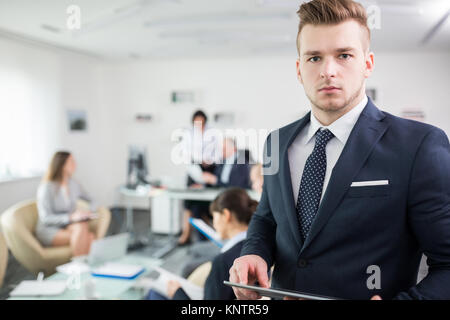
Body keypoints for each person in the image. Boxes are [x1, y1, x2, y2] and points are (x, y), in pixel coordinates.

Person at [229, 0, 450, 300]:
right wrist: (253, 252)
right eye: (314, 58)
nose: (328, 71)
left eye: (344, 55)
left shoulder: (418, 146)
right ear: (299, 69)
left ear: (367, 63)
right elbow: (267, 219)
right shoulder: (276, 142)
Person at [147, 187, 258, 300]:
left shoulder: (223, 262)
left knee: (154, 293)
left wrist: (177, 293)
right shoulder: (257, 249)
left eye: (214, 217)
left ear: (226, 215)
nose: (214, 223)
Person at [35, 151, 104, 256]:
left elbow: (92, 200)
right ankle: (81, 267)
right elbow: (46, 218)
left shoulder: (73, 184)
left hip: (67, 226)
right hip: (49, 229)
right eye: (71, 161)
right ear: (62, 165)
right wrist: (71, 217)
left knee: (82, 226)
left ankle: (80, 267)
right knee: (88, 236)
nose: (75, 164)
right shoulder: (46, 188)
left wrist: (89, 211)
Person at [178, 110, 220, 245]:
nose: (199, 125)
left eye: (201, 122)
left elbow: (217, 152)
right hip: (194, 169)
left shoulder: (212, 133)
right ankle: (186, 234)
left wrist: (208, 160)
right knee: (188, 203)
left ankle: (208, 234)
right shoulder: (188, 134)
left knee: (204, 203)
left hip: (209, 168)